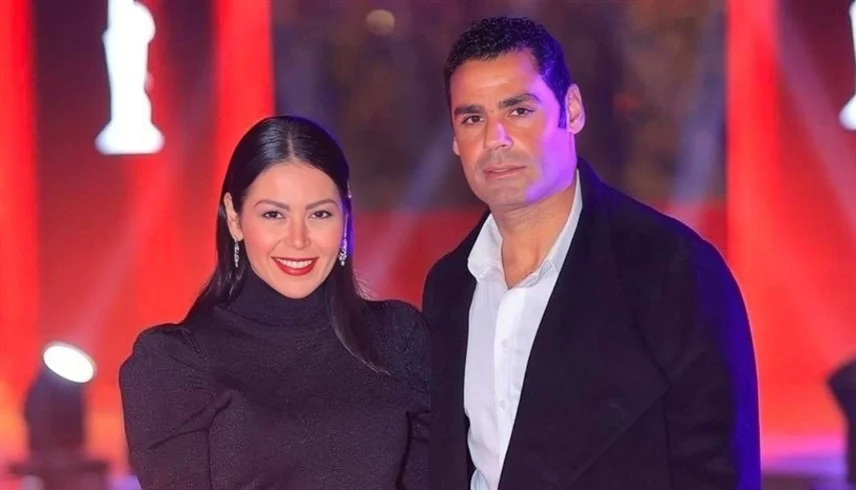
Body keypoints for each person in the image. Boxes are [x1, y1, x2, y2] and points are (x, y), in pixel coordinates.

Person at [423, 16, 760, 490]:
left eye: (519, 110)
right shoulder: (449, 287)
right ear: (456, 139)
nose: (495, 139)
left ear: (572, 110)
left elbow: (717, 470)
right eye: (473, 118)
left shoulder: (671, 270)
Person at [120, 115, 428, 489]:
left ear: (345, 214)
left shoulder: (398, 338)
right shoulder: (176, 362)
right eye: (273, 215)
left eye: (319, 214)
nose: (298, 240)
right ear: (234, 218)